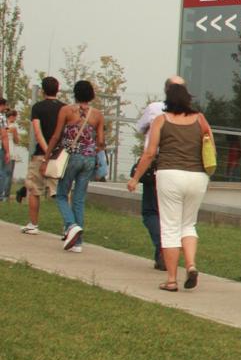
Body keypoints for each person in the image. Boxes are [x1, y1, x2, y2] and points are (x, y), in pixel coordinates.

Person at [127, 83, 212, 292]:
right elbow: (210, 146)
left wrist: (135, 178)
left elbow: (149, 153)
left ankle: (172, 279)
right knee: (188, 224)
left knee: (170, 227)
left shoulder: (161, 121)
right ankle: (191, 265)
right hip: (197, 176)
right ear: (188, 99)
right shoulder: (200, 119)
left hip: (169, 175)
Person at [44, 80, 106, 252]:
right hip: (89, 158)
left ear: (75, 93)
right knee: (79, 199)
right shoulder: (98, 115)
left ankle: (71, 226)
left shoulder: (66, 110)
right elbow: (101, 141)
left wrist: (46, 158)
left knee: (62, 194)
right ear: (91, 95)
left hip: (71, 157)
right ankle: (77, 243)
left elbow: (56, 136)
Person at [135, 76, 186, 270]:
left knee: (150, 210)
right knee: (170, 214)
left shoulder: (155, 109)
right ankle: (163, 254)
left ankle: (162, 248)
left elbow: (140, 128)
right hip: (181, 166)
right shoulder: (192, 114)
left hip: (156, 164)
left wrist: (135, 177)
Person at [21, 77, 65, 235]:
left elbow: (38, 132)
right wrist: (55, 152)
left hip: (41, 153)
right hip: (60, 155)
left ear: (43, 91)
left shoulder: (37, 108)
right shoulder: (64, 108)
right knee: (61, 192)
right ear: (57, 89)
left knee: (34, 189)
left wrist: (47, 151)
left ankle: (33, 224)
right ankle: (67, 226)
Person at [0, 98, 14, 202]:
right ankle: (1, 195)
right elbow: (4, 136)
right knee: (2, 172)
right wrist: (8, 152)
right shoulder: (2, 118)